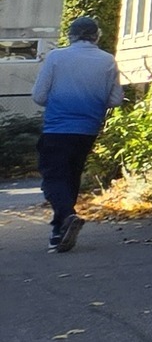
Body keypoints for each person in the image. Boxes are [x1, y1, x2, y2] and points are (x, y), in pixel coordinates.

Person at [32, 15, 120, 253]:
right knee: (71, 176)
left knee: (52, 177)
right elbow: (116, 99)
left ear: (71, 35)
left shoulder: (56, 57)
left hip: (57, 128)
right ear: (96, 36)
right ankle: (58, 232)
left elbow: (39, 96)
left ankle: (68, 216)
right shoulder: (107, 60)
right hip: (88, 129)